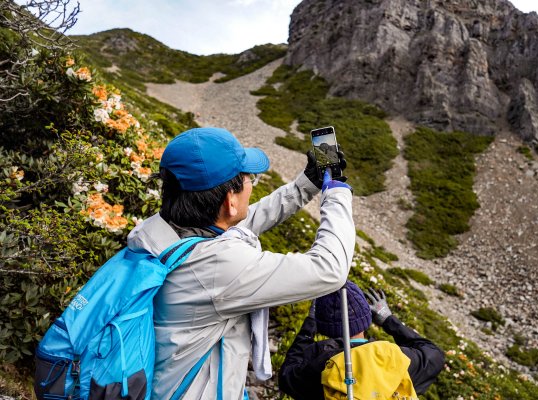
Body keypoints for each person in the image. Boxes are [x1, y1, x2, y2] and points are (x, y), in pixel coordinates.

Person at [126, 127, 354, 399]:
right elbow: (329, 270)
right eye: (249, 178)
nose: (251, 183)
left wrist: (305, 185)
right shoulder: (217, 268)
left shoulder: (159, 230)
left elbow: (239, 225)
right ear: (229, 200)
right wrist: (336, 193)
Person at [279, 281, 445, 400]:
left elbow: (287, 375)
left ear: (325, 326)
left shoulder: (320, 364)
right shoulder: (396, 358)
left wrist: (309, 326)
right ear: (368, 318)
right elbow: (434, 354)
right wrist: (388, 319)